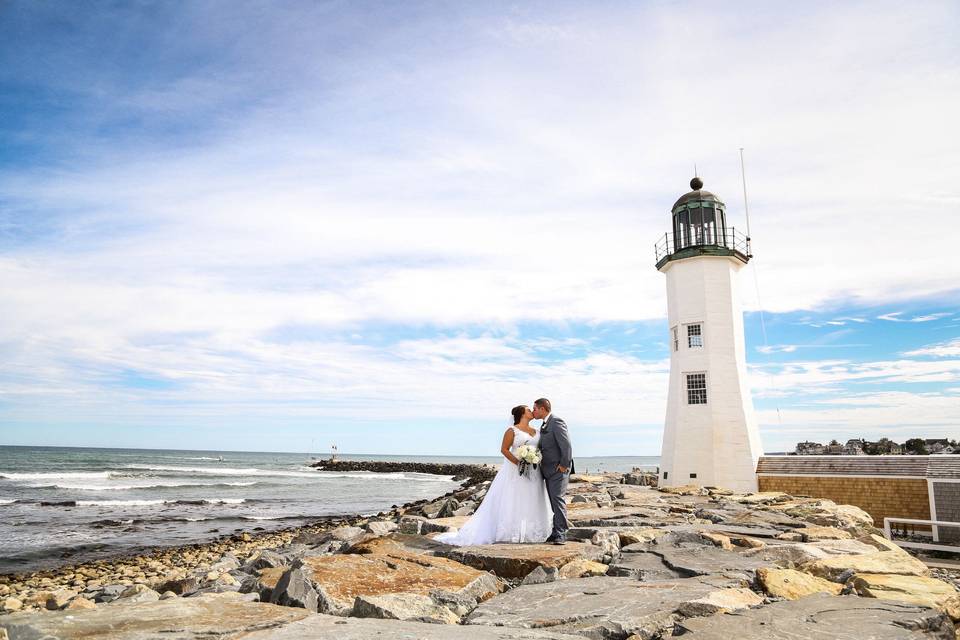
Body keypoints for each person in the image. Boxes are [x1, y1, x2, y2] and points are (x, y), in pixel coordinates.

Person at [435, 405, 553, 545]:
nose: (532, 411)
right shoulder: (512, 431)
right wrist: (518, 462)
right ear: (522, 414)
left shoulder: (537, 431)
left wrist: (534, 458)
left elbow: (541, 448)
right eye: (528, 410)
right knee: (514, 499)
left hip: (534, 471)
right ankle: (511, 532)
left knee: (532, 498)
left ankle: (531, 531)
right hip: (515, 471)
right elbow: (504, 449)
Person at [533, 398, 574, 544]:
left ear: (543, 409)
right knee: (552, 501)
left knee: (557, 500)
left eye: (535, 409)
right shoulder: (545, 424)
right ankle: (555, 531)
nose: (533, 412)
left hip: (558, 469)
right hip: (548, 470)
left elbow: (566, 445)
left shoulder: (556, 422)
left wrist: (564, 464)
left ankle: (561, 534)